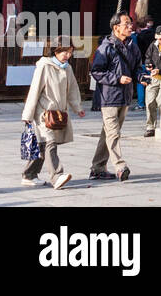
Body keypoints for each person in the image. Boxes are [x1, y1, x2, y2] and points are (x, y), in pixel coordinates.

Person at [20, 38, 85, 189]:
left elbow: (73, 89)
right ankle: (56, 177)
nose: (67, 55)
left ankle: (29, 175)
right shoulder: (44, 66)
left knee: (43, 145)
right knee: (50, 142)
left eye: (69, 52)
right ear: (55, 50)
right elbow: (34, 90)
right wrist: (27, 115)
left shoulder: (67, 68)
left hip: (58, 114)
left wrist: (77, 107)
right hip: (42, 113)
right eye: (64, 51)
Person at [89, 12, 143, 182]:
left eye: (130, 23)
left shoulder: (132, 46)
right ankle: (120, 166)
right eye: (126, 24)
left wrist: (143, 77)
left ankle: (97, 168)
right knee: (114, 133)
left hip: (125, 96)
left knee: (108, 133)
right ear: (116, 28)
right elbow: (96, 71)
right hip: (109, 96)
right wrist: (117, 78)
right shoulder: (106, 47)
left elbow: (137, 68)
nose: (130, 27)